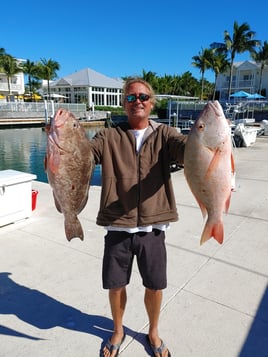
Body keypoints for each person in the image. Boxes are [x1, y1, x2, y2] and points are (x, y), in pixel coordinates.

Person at [90, 78, 187, 357]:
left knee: (155, 285)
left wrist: (205, 140)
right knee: (116, 284)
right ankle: (118, 330)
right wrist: (61, 142)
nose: (138, 101)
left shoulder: (165, 134)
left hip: (153, 227)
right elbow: (86, 155)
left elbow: (184, 149)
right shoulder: (108, 137)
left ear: (152, 102)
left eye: (143, 96)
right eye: (131, 98)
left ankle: (153, 331)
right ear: (124, 103)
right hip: (118, 225)